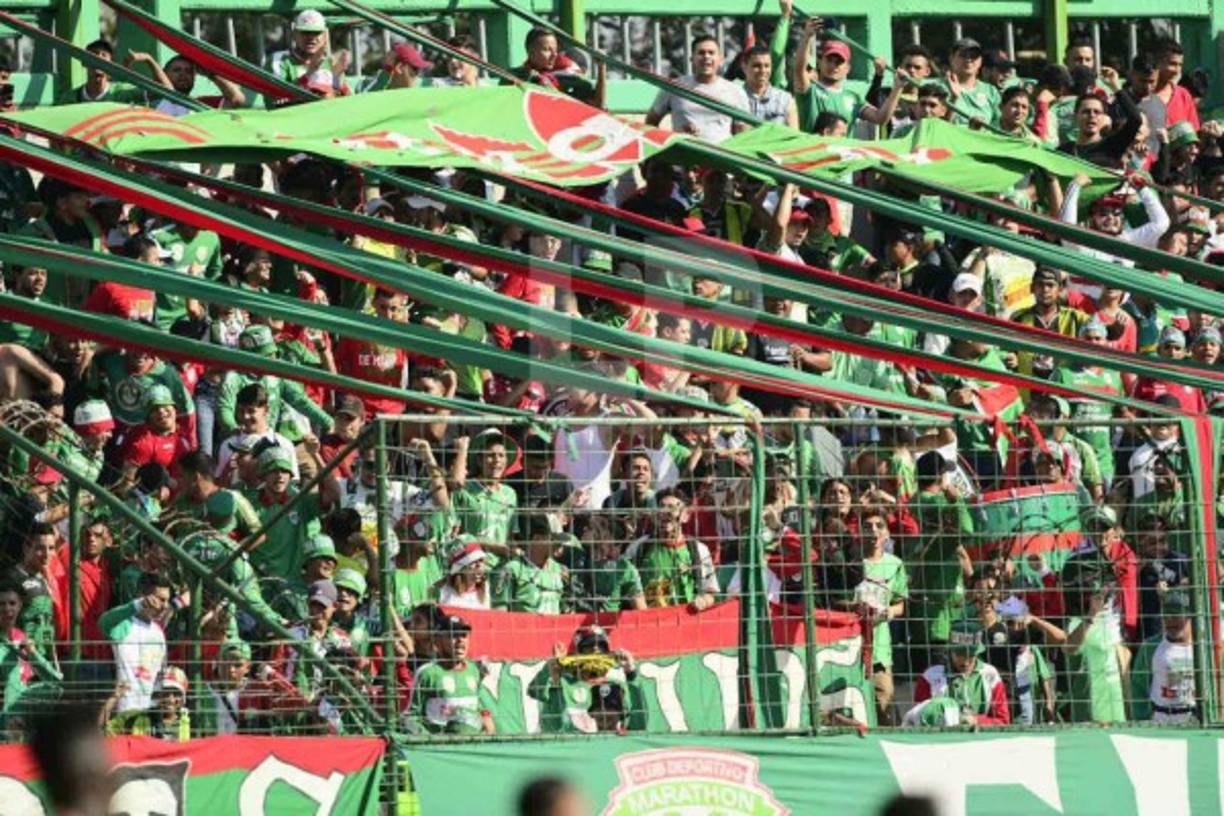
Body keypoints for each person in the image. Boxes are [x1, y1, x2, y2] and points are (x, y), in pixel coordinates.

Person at [792, 23, 905, 134]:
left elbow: (880, 119)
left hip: (842, 152)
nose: (833, 65)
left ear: (847, 68)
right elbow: (798, 70)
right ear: (820, 62)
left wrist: (898, 87)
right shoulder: (810, 90)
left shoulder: (853, 98)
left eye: (839, 62)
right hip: (814, 151)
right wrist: (807, 37)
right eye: (829, 60)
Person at [645, 34, 750, 143]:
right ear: (692, 59)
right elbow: (651, 122)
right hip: (684, 156)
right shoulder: (674, 87)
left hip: (721, 156)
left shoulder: (735, 91)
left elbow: (742, 136)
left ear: (720, 59)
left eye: (711, 53)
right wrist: (672, 139)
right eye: (701, 53)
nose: (706, 56)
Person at [626, 488, 717, 610]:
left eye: (671, 508)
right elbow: (624, 585)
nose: (664, 512)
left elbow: (710, 592)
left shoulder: (699, 550)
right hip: (651, 622)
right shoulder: (638, 548)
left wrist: (703, 602)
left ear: (685, 516)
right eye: (661, 507)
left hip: (688, 621)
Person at [907, 620, 1011, 726]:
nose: (965, 662)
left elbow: (1003, 720)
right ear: (950, 650)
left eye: (970, 656)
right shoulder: (930, 677)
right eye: (959, 655)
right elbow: (917, 719)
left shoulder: (990, 675)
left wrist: (977, 721)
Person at [404, 613, 494, 735]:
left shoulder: (473, 670)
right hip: (441, 749)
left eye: (464, 635)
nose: (460, 640)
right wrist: (429, 741)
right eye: (453, 635)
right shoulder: (427, 674)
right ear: (438, 641)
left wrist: (486, 720)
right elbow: (410, 718)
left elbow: (479, 707)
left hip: (472, 747)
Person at [99, 571, 175, 715]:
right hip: (123, 712)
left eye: (167, 600)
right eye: (160, 599)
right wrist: (136, 605)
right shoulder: (125, 624)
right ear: (142, 596)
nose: (165, 606)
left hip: (149, 714)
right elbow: (104, 622)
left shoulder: (158, 633)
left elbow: (159, 675)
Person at [1130, 591, 1196, 723]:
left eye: (1177, 614)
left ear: (1190, 616)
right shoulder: (1150, 647)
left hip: (1195, 720)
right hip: (1160, 720)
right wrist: (1142, 719)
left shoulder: (1205, 647)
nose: (1170, 620)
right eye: (1166, 615)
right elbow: (1138, 687)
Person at [55, 38, 169, 105]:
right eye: (94, 54)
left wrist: (149, 59)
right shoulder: (71, 98)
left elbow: (167, 92)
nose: (98, 58)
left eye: (103, 55)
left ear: (111, 64)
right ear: (84, 62)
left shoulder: (122, 92)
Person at [266, 9, 351, 98]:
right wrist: (310, 73)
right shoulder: (278, 60)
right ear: (294, 35)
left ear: (325, 36)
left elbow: (348, 102)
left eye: (316, 33)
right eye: (305, 33)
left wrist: (337, 78)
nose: (311, 38)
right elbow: (277, 99)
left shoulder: (331, 63)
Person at [495, 516, 566, 614]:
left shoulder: (558, 569)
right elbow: (499, 612)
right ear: (537, 539)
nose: (559, 546)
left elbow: (564, 607)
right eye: (554, 540)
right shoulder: (512, 570)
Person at [104, 665, 191, 741]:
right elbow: (101, 731)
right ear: (157, 695)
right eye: (165, 693)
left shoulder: (191, 724)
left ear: (183, 699)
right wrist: (113, 698)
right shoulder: (132, 718)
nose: (171, 700)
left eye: (176, 694)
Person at [940, 38, 1001, 127]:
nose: (969, 60)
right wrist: (954, 98)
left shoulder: (991, 91)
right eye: (963, 55)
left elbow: (1000, 125)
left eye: (974, 56)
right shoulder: (937, 87)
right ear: (951, 58)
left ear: (980, 61)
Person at [740, 44, 797, 128]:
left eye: (767, 66)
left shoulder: (785, 100)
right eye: (757, 66)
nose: (763, 70)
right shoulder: (735, 98)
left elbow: (794, 135)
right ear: (744, 67)